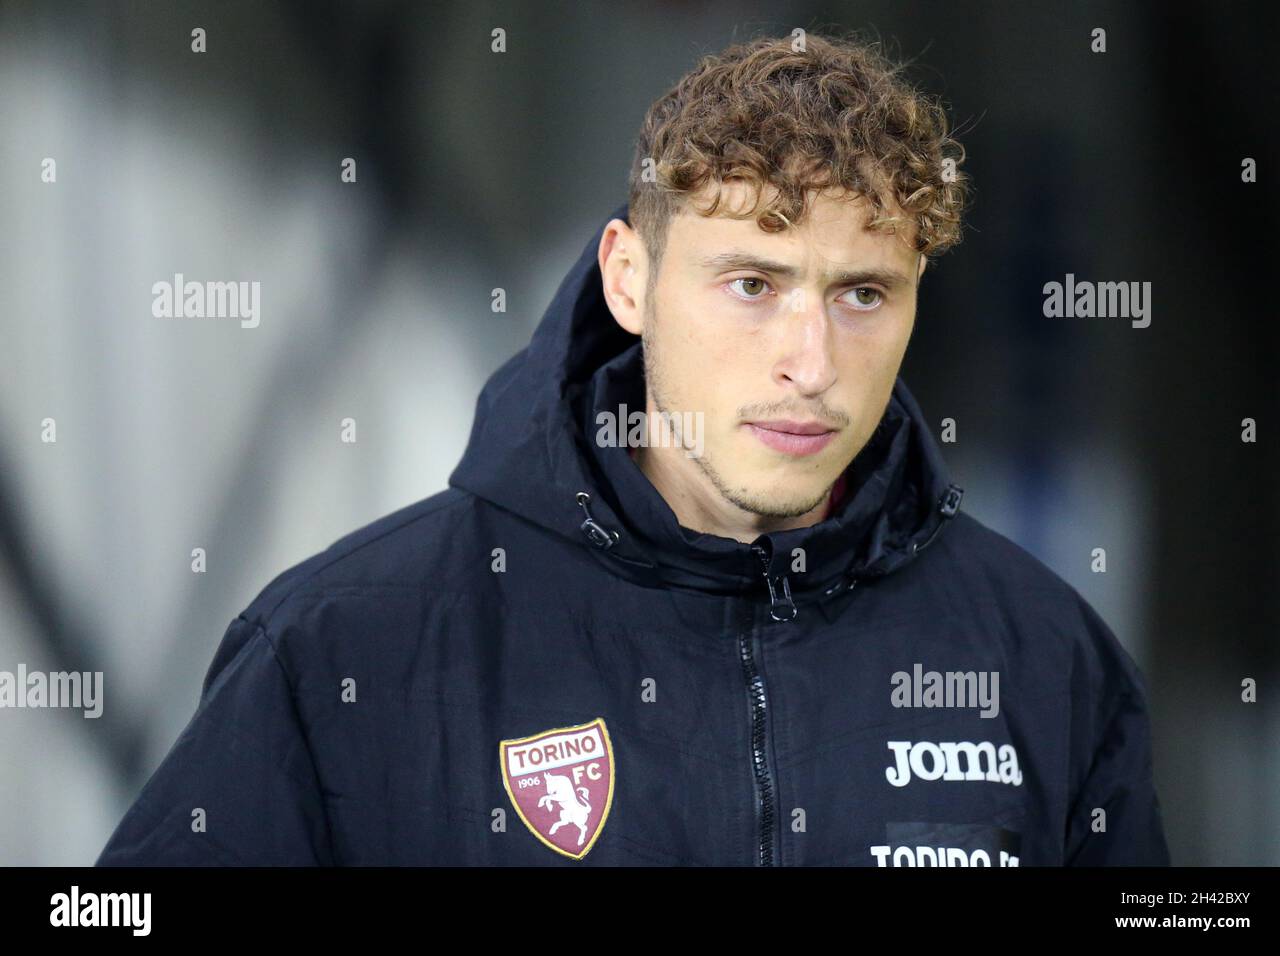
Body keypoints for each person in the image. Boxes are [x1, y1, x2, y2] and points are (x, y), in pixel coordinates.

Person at [96, 32, 1170, 866]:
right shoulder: (347, 645)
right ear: (628, 278)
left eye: (861, 293)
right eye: (751, 283)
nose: (810, 359)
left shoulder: (1043, 658)